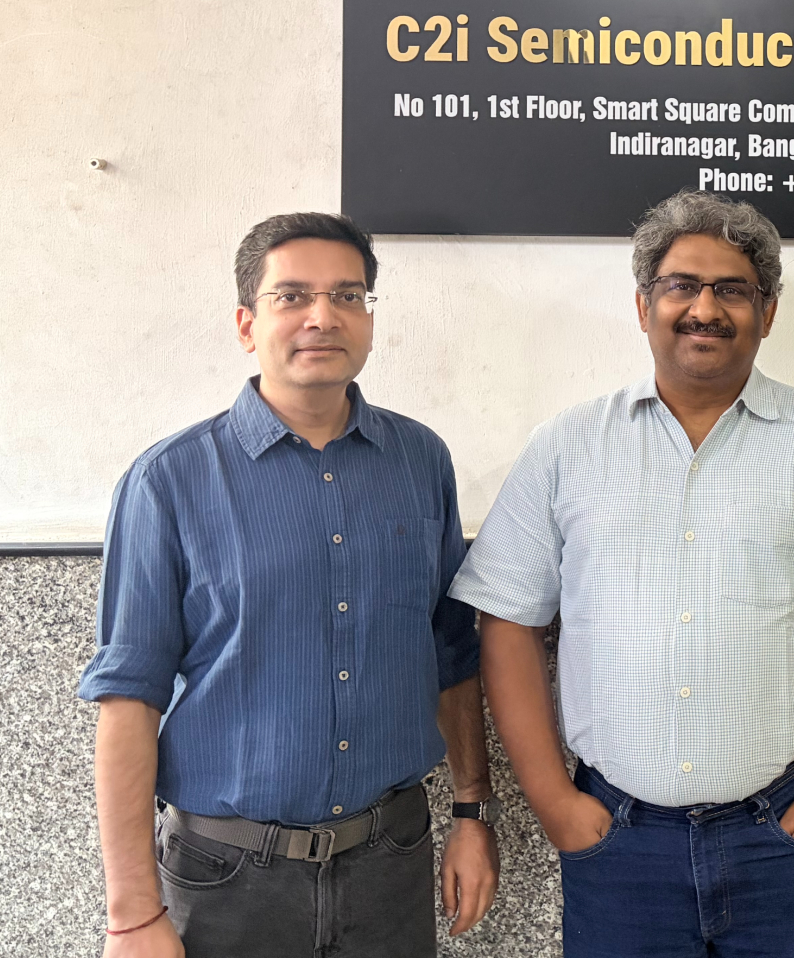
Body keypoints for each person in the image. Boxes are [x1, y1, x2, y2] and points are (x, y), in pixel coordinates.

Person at [449, 190, 794, 958]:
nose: (705, 308)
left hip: (785, 837)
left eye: (733, 290)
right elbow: (507, 621)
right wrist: (554, 801)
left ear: (767, 311)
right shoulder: (567, 446)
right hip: (618, 843)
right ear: (643, 306)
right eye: (682, 286)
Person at [79, 212, 499, 958]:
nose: (323, 317)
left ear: (369, 319)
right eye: (293, 296)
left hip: (391, 861)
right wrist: (133, 913)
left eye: (348, 296)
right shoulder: (169, 481)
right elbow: (128, 698)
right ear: (247, 324)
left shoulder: (420, 461)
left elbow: (451, 649)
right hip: (227, 877)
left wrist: (472, 812)